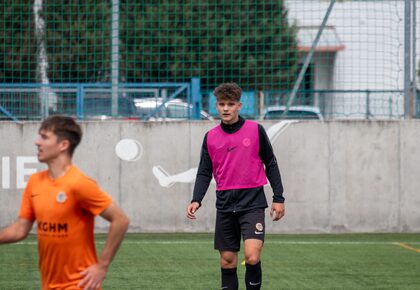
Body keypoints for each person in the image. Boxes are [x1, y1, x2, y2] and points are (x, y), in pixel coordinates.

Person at [0, 115, 129, 290]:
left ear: (63, 145)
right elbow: (20, 229)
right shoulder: (35, 182)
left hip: (78, 285)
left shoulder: (79, 183)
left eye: (44, 137)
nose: (37, 142)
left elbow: (120, 220)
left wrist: (102, 265)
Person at [186, 82, 285, 290]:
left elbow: (271, 163)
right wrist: (196, 199)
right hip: (225, 204)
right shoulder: (211, 137)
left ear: (239, 106)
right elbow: (204, 171)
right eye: (221, 104)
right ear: (216, 106)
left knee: (251, 256)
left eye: (230, 104)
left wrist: (278, 197)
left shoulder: (255, 130)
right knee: (227, 261)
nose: (225, 108)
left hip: (252, 202)